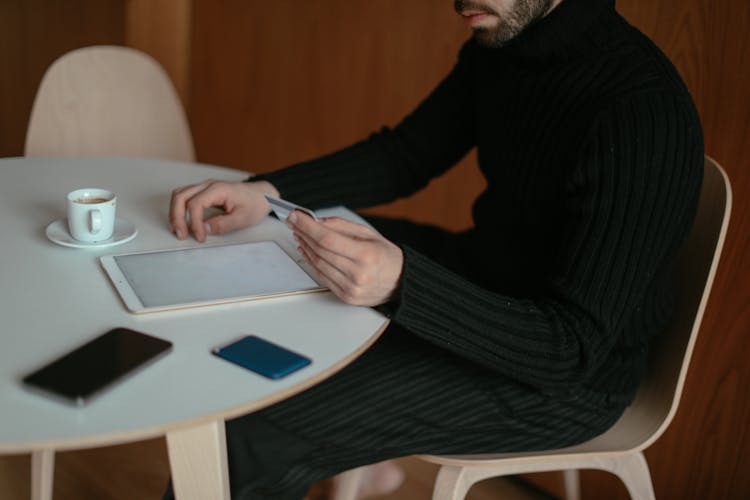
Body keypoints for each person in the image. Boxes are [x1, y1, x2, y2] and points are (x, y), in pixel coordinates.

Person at [167, 0, 703, 498]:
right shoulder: (503, 41)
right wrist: (270, 193)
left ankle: (324, 441)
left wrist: (404, 283)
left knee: (252, 427)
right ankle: (362, 452)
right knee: (288, 245)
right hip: (485, 278)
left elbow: (573, 348)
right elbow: (408, 154)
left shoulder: (642, 114)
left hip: (568, 379)